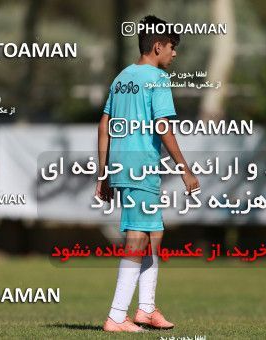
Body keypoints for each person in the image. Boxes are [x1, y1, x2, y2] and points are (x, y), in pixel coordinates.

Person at [96, 15, 200, 332]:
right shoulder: (157, 79)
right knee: (138, 238)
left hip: (123, 166)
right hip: (142, 166)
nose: (174, 54)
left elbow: (104, 125)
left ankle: (145, 309)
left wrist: (103, 173)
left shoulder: (121, 78)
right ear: (158, 46)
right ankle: (116, 316)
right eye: (172, 47)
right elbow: (162, 126)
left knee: (153, 234)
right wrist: (185, 169)